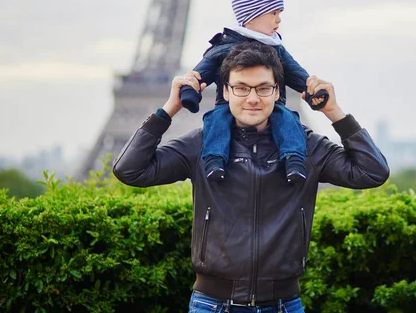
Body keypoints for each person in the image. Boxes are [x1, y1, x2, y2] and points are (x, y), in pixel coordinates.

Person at [113, 42, 390, 312]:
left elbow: (372, 172)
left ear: (277, 91)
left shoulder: (307, 148)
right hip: (212, 304)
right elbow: (130, 169)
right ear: (226, 91)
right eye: (242, 88)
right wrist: (169, 109)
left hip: (283, 303)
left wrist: (333, 112)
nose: (253, 98)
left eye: (263, 88)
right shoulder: (204, 144)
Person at [179, 0, 328, 185]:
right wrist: (189, 91)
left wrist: (310, 88)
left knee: (289, 120)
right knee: (216, 121)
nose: (279, 20)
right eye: (273, 13)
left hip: (271, 103)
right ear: (253, 16)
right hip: (228, 104)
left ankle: (294, 160)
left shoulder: (276, 48)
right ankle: (214, 161)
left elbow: (296, 73)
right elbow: (199, 74)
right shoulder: (223, 48)